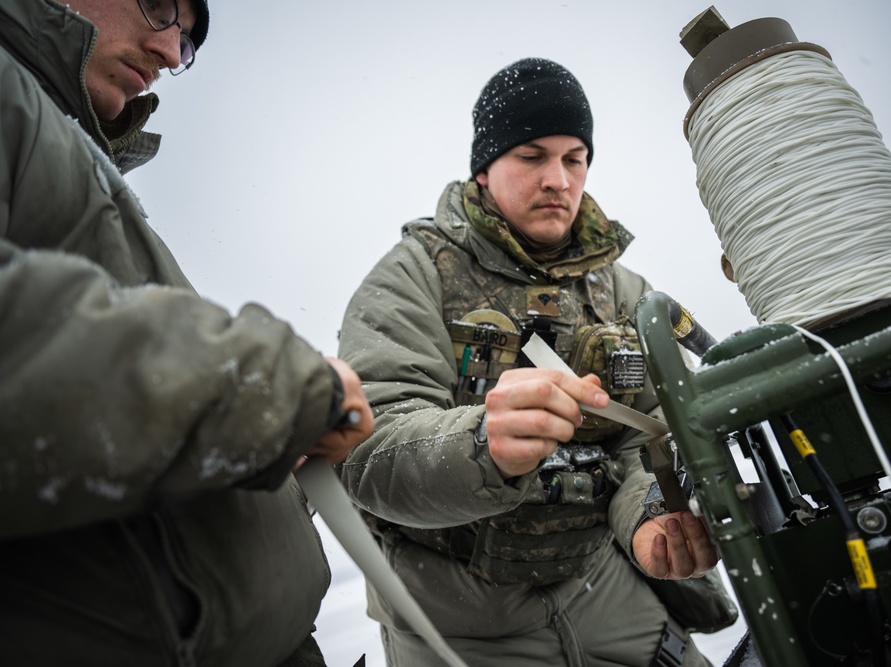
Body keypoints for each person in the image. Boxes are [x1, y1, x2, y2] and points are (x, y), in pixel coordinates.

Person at [0, 1, 374, 665]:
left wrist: (260, 454)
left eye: (189, 40)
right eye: (161, 5)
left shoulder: (69, 146)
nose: (173, 53)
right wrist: (264, 386)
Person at [337, 58, 732, 667]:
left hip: (611, 597)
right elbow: (366, 450)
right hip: (459, 628)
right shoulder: (411, 276)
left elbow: (646, 441)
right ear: (485, 167)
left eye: (575, 159)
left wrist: (649, 520)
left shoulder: (622, 291)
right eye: (532, 155)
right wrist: (483, 447)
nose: (558, 179)